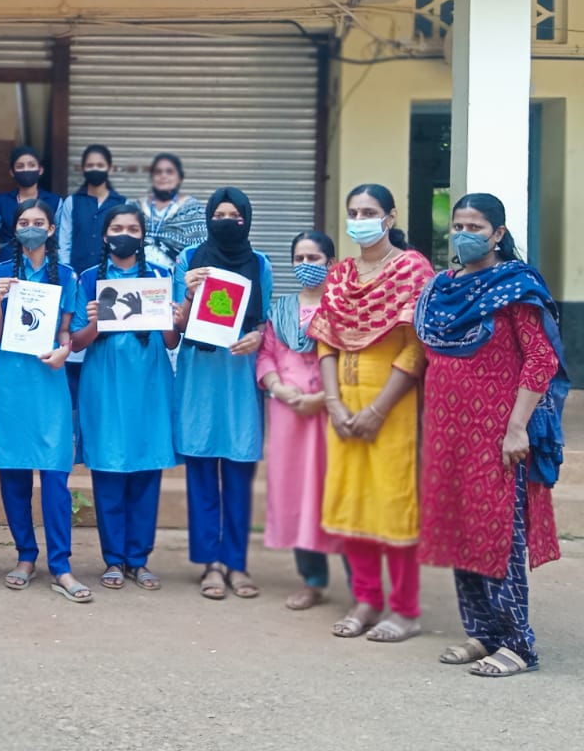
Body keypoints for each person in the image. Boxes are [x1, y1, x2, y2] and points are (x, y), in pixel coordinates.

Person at [415, 193, 568, 677]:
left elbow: (541, 359)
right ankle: (482, 632)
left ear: (498, 234)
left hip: (498, 434)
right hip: (448, 433)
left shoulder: (515, 286)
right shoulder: (441, 288)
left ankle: (518, 644)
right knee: (461, 529)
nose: (464, 234)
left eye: (476, 227)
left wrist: (518, 427)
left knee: (499, 534)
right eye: (458, 225)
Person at [308, 184, 434, 643]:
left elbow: (416, 347)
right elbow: (325, 341)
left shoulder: (412, 269)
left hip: (393, 407)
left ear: (390, 217)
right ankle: (365, 599)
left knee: (393, 502)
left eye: (369, 212)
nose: (360, 220)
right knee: (352, 500)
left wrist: (379, 409)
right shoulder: (341, 274)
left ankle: (405, 610)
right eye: (354, 212)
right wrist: (334, 402)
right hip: (343, 404)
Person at [71, 203, 178, 591]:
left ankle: (139, 559)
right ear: (105, 235)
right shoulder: (88, 279)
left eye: (133, 229)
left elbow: (171, 341)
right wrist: (95, 322)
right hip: (105, 383)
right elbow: (77, 341)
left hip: (149, 383)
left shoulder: (159, 276)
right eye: (117, 228)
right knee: (109, 471)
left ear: (143, 235)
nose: (125, 235)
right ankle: (114, 560)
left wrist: (173, 316)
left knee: (146, 470)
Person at [0, 199, 92, 603]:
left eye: (38, 222)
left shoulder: (66, 275)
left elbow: (67, 332)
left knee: (54, 477)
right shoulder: (0, 272)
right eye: (23, 222)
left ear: (51, 230)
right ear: (15, 229)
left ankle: (61, 565)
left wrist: (65, 351)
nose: (30, 228)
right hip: (10, 383)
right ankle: (25, 556)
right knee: (13, 474)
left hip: (49, 381)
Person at [173, 188, 272, 601]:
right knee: (201, 472)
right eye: (219, 215)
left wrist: (257, 337)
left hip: (239, 377)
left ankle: (235, 562)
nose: (227, 222)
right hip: (198, 377)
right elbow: (176, 324)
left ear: (246, 220)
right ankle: (210, 563)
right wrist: (188, 293)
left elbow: (264, 323)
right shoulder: (188, 259)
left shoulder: (260, 263)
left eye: (235, 215)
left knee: (237, 472)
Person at [257, 230, 345, 611]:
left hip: (332, 411)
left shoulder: (344, 308)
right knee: (297, 492)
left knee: (338, 490)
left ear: (331, 263)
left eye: (314, 258)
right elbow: (266, 355)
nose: (306, 265)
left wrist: (323, 398)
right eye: (299, 259)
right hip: (288, 414)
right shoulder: (280, 310)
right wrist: (278, 387)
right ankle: (313, 580)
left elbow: (352, 360)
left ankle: (363, 586)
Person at [57, 144, 126, 273]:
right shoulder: (72, 202)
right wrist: (67, 272)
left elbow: (125, 243)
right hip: (78, 275)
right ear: (82, 169)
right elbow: (64, 242)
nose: (95, 169)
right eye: (90, 165)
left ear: (110, 169)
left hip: (111, 275)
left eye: (100, 165)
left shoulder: (122, 204)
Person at [0, 145, 62, 265]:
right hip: (8, 262)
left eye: (31, 165)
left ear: (40, 170)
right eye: (20, 166)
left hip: (45, 264)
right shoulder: (1, 201)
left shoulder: (54, 201)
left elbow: (58, 236)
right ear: (12, 172)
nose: (26, 170)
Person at [139, 153, 207, 272]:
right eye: (158, 172)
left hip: (179, 277)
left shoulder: (193, 209)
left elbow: (200, 250)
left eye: (169, 172)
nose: (163, 176)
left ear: (180, 177)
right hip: (139, 277)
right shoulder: (137, 207)